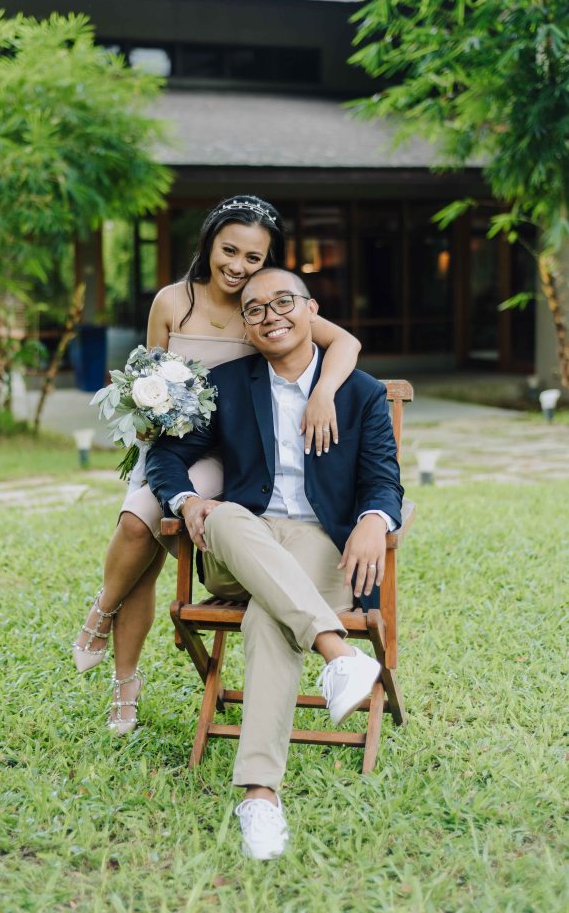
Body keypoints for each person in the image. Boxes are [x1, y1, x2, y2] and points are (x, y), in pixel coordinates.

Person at [72, 196, 362, 735]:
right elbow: (148, 375)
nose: (238, 266)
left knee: (141, 524)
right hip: (171, 448)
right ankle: (119, 665)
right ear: (209, 244)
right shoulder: (171, 301)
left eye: (254, 258)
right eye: (229, 251)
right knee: (137, 535)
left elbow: (345, 342)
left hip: (229, 458)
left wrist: (323, 392)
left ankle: (103, 623)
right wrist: (145, 413)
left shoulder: (263, 309)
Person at [146, 267, 403, 860]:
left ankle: (260, 797)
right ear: (246, 327)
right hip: (243, 540)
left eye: (284, 301)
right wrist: (187, 501)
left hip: (319, 542)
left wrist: (373, 520)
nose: (271, 316)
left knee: (269, 615)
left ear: (311, 309)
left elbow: (384, 481)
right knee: (222, 515)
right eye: (256, 309)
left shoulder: (359, 392)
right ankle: (339, 655)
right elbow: (165, 456)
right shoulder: (226, 385)